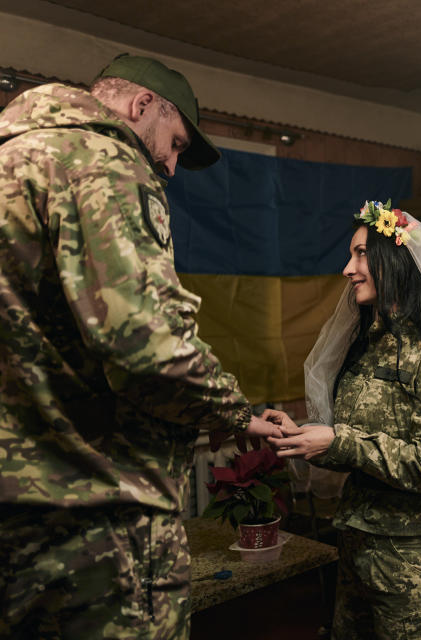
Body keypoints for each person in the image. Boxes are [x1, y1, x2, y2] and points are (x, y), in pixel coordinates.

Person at [0, 54, 281, 638]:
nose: (172, 167)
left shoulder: (13, 159)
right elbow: (146, 346)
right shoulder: (104, 162)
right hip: (95, 524)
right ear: (141, 105)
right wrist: (236, 415)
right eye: (175, 143)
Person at [264, 201, 421, 640]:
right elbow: (355, 444)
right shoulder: (365, 348)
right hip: (357, 561)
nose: (348, 269)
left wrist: (337, 442)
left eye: (361, 254)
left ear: (396, 261)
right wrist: (304, 436)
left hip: (415, 575)